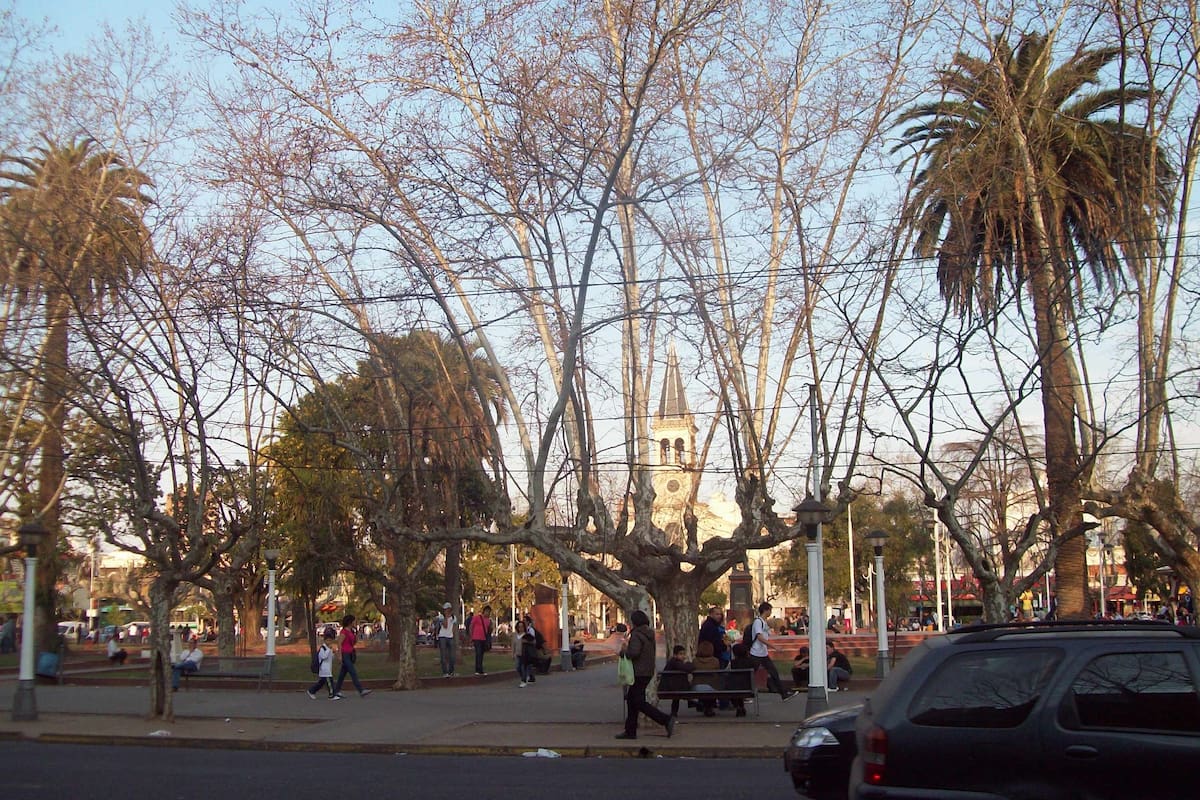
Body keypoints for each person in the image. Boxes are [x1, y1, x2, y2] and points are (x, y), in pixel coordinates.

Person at [615, 609, 675, 740]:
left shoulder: (636, 634)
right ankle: (630, 730)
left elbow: (634, 653)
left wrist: (623, 651)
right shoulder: (649, 633)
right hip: (647, 670)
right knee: (633, 701)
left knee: (636, 701)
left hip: (637, 671)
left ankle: (665, 719)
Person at [749, 601, 796, 701]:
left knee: (774, 672)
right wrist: (774, 647)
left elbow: (769, 634)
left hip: (763, 654)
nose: (770, 612)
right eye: (770, 610)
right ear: (766, 610)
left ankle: (783, 694)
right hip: (756, 653)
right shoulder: (758, 622)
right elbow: (759, 637)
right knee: (750, 674)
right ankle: (745, 694)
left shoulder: (764, 622)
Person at [332, 613, 372, 699]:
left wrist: (357, 634)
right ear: (350, 622)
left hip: (350, 653)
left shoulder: (351, 631)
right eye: (354, 621)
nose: (355, 622)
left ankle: (336, 691)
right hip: (345, 654)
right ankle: (361, 690)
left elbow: (353, 643)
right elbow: (339, 643)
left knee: (342, 674)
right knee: (352, 672)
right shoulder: (344, 632)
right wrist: (339, 655)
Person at [660, 645, 693, 716]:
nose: (683, 656)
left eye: (684, 654)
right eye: (681, 654)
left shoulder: (674, 662)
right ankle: (691, 702)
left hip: (672, 686)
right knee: (681, 691)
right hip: (670, 687)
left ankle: (675, 711)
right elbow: (686, 668)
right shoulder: (675, 662)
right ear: (675, 655)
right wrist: (689, 663)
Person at [691, 639, 721, 716]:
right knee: (712, 686)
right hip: (712, 687)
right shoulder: (715, 661)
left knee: (703, 688)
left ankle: (705, 706)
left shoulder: (695, 661)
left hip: (697, 686)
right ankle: (709, 707)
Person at [307, 627, 338, 699]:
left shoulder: (328, 648)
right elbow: (323, 657)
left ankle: (311, 691)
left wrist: (333, 653)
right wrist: (329, 650)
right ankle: (332, 694)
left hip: (328, 669)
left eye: (331, 641)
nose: (329, 642)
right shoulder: (323, 649)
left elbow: (331, 658)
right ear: (325, 640)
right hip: (324, 669)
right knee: (330, 682)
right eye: (328, 640)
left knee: (321, 683)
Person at [469, 604, 493, 676]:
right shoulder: (477, 617)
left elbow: (489, 630)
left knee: (481, 654)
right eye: (487, 611)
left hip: (484, 639)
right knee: (478, 653)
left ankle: (480, 669)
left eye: (489, 612)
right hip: (476, 638)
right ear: (484, 611)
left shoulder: (488, 620)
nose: (488, 613)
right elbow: (471, 626)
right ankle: (478, 669)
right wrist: (471, 636)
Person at [436, 602, 457, 677]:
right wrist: (446, 617)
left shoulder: (454, 617)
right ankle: (445, 672)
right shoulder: (441, 617)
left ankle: (451, 671)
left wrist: (453, 635)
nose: (447, 611)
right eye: (446, 609)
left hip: (450, 637)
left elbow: (454, 628)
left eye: (449, 609)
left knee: (452, 656)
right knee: (443, 655)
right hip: (443, 637)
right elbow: (445, 625)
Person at [514, 619, 536, 687]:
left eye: (522, 627)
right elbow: (513, 645)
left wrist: (526, 641)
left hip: (525, 654)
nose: (520, 628)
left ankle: (523, 680)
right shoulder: (515, 635)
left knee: (523, 667)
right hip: (517, 654)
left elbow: (534, 642)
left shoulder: (527, 635)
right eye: (519, 627)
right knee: (518, 667)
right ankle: (525, 677)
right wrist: (513, 653)